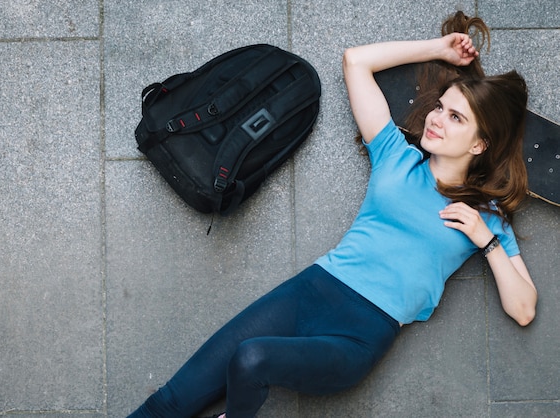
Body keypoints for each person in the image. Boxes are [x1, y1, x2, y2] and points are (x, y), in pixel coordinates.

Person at [128, 11, 538, 418]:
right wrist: (438, 50)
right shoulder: (396, 156)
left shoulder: (487, 216)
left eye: (455, 118)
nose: (436, 119)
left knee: (251, 360)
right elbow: (356, 61)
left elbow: (523, 309)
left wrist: (487, 242)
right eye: (440, 107)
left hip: (361, 334)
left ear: (480, 145)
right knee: (170, 401)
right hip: (311, 290)